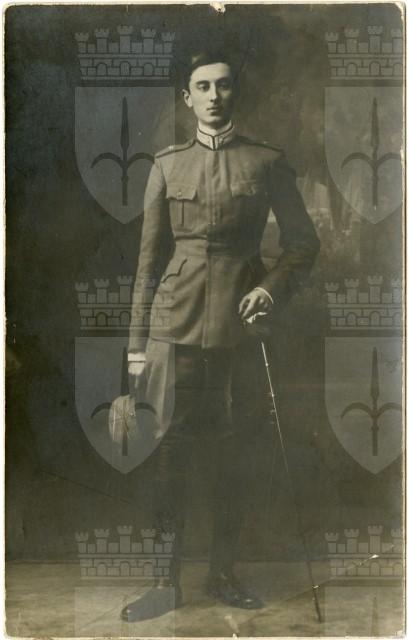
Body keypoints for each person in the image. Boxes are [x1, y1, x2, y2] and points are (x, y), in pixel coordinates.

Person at [122, 48, 320, 622]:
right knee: (170, 453)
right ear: (187, 99)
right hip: (175, 325)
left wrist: (270, 290)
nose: (214, 96)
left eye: (224, 85)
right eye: (203, 87)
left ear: (236, 93)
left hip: (241, 328)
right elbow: (147, 263)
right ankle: (164, 583)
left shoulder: (266, 162)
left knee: (235, 453)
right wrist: (137, 347)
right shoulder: (167, 165)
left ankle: (224, 574)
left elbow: (303, 244)